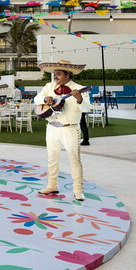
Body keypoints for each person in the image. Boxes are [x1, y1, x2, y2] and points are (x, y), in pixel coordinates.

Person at [34, 59, 90, 201]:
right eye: (55, 74)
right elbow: (37, 98)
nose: (55, 77)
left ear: (68, 75)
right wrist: (44, 98)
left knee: (74, 159)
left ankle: (78, 190)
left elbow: (87, 108)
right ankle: (52, 185)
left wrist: (79, 100)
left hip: (70, 129)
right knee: (52, 158)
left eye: (58, 74)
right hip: (52, 127)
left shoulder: (79, 88)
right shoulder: (49, 86)